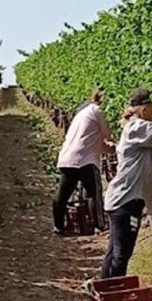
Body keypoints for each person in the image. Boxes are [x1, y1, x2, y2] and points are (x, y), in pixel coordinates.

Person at [99, 87, 152, 279]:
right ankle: (114, 291)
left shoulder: (136, 127)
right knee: (121, 255)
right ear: (144, 109)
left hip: (125, 199)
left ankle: (105, 288)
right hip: (125, 201)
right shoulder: (137, 128)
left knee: (115, 252)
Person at [53, 89, 113, 234]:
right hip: (86, 160)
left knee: (63, 194)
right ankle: (100, 226)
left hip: (67, 158)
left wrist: (110, 149)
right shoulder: (99, 111)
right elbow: (108, 136)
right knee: (94, 194)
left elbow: (89, 140)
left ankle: (58, 226)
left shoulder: (82, 113)